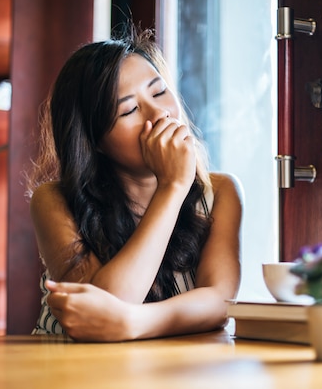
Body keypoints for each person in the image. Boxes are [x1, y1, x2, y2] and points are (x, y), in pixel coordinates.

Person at [26, 24, 243, 342]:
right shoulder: (53, 201)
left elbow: (220, 301)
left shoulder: (220, 192)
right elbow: (104, 308)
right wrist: (171, 187)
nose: (159, 114)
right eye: (129, 110)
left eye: (159, 92)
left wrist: (134, 323)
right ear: (95, 140)